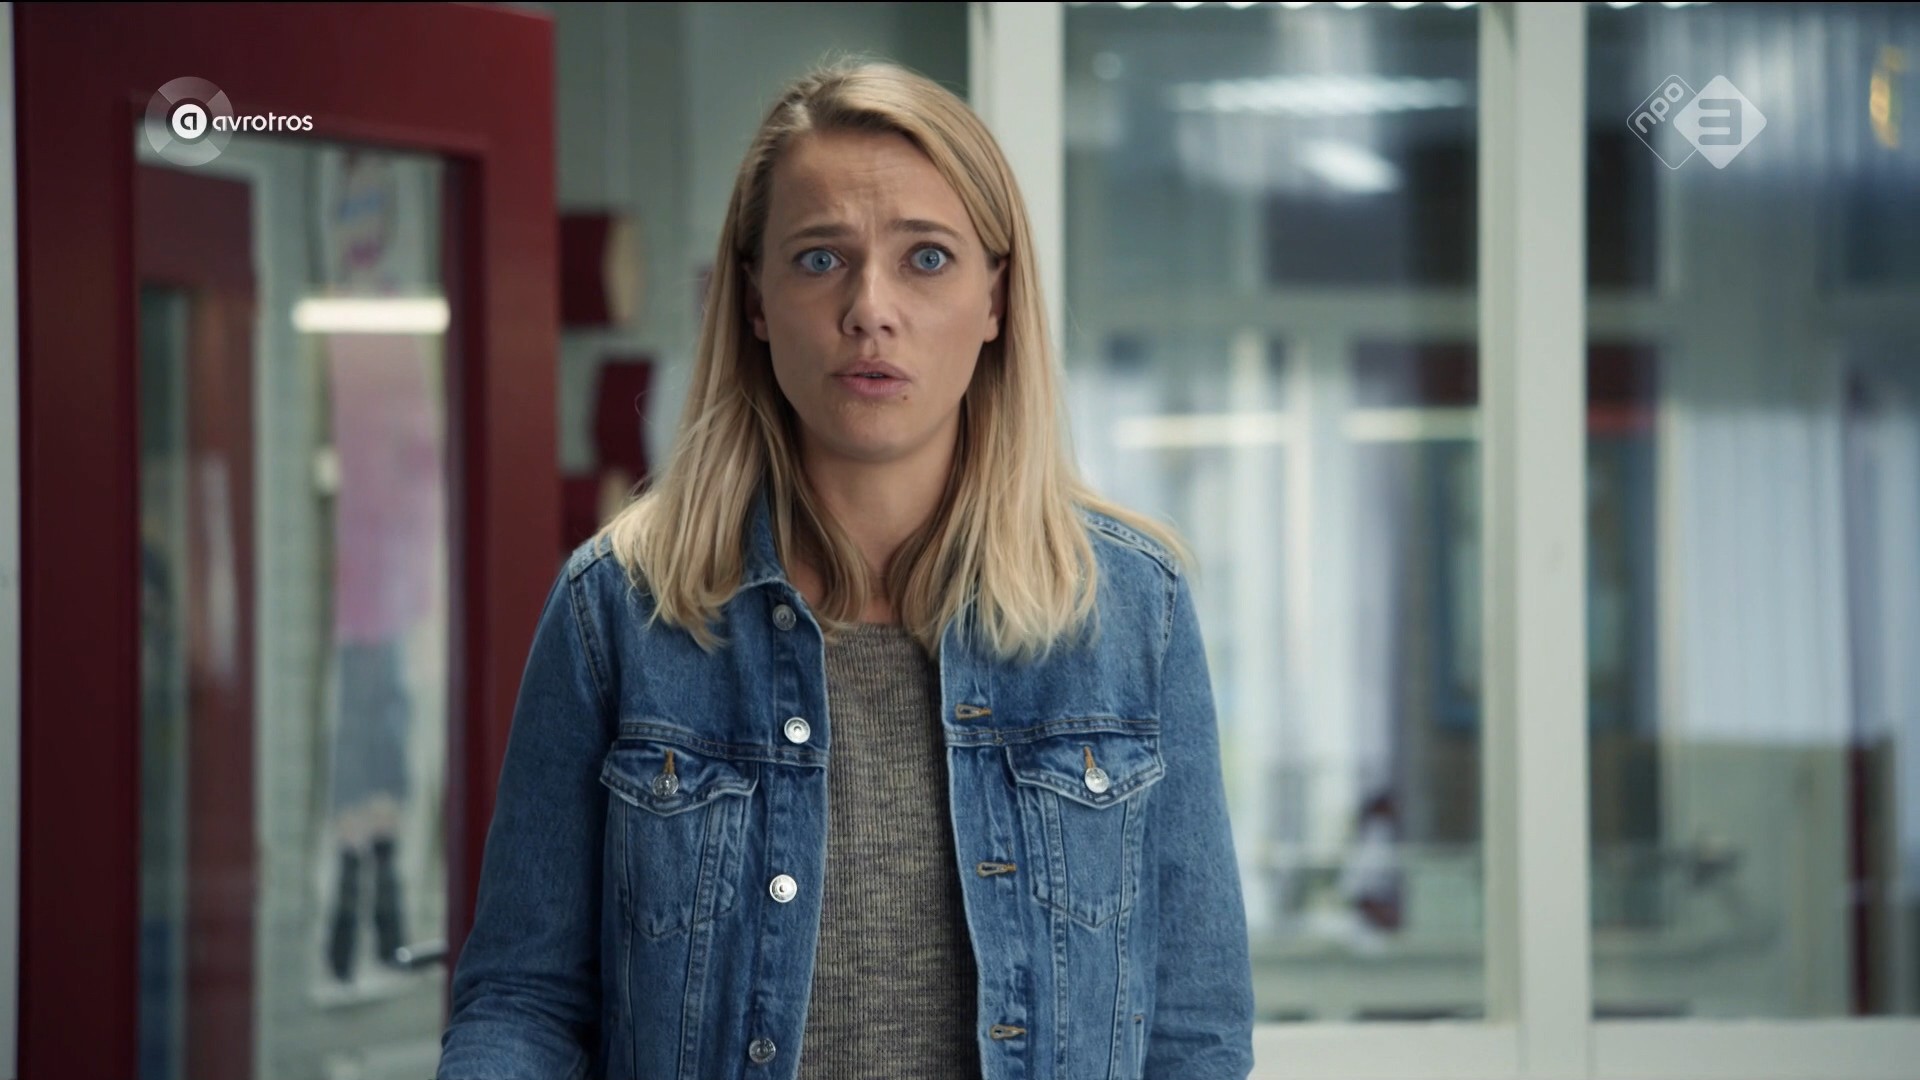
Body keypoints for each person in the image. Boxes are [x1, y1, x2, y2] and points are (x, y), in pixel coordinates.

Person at [437, 60, 1254, 1080]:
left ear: (996, 299)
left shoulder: (1130, 610)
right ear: (756, 300)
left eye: (927, 258)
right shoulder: (621, 610)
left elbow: (1194, 1034)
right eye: (821, 259)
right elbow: (524, 1004)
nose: (871, 309)